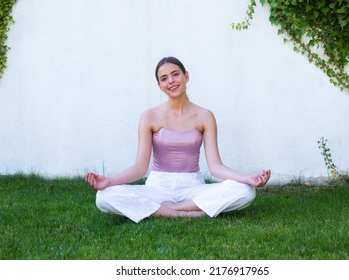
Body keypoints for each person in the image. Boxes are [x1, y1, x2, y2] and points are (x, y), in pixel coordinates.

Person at [85, 56, 271, 223]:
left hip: (192, 188)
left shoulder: (204, 116)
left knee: (246, 191)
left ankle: (166, 210)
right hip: (158, 188)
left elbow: (215, 166)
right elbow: (140, 168)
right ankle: (191, 212)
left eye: (175, 74)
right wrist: (109, 182)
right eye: (164, 78)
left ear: (186, 76)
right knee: (104, 196)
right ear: (159, 85)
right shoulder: (150, 116)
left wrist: (246, 178)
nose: (171, 81)